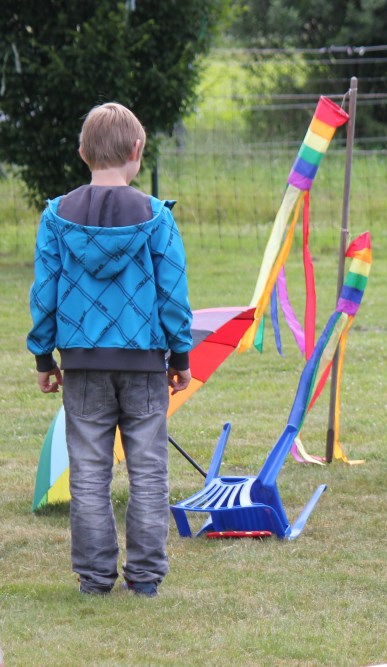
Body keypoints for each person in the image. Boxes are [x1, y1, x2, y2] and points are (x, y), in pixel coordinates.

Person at [27, 102, 193, 594]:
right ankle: (144, 577)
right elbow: (173, 293)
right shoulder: (156, 217)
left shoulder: (56, 218)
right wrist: (180, 357)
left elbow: (44, 292)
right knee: (148, 473)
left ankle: (95, 577)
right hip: (144, 366)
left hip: (81, 366)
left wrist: (43, 355)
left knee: (89, 475)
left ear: (83, 153)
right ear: (137, 151)